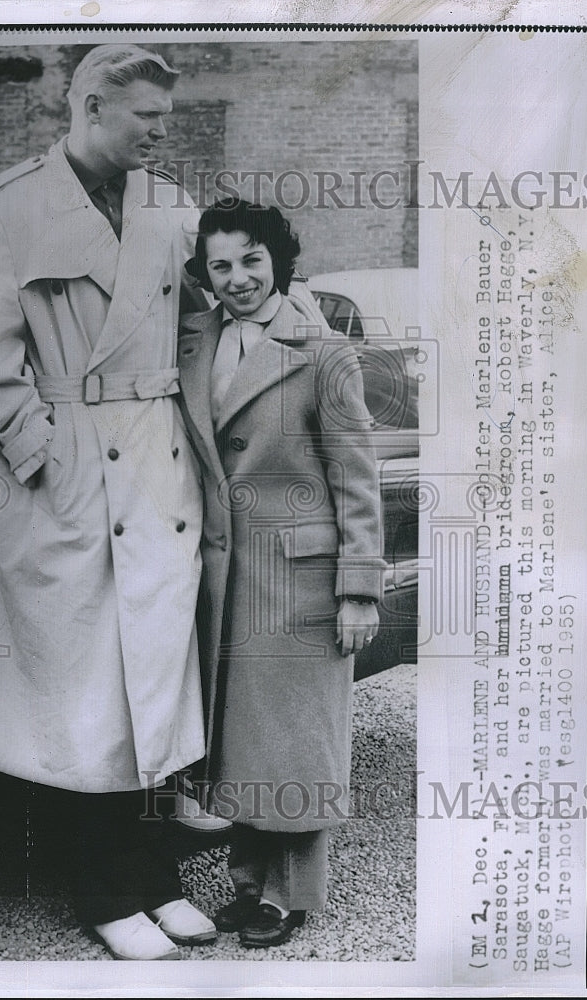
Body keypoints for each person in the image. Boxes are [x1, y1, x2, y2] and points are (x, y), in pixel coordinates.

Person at [0, 44, 218, 961]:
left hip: (156, 464)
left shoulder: (171, 206)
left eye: (164, 119)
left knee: (152, 688)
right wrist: (49, 456)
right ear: (93, 104)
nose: (160, 130)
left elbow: (196, 332)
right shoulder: (7, 205)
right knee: (80, 697)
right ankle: (102, 893)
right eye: (146, 115)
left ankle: (155, 879)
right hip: (61, 477)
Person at [177, 198, 386, 948]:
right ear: (203, 273)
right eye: (220, 265)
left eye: (251, 260)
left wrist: (359, 588)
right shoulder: (194, 341)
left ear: (278, 261)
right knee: (242, 740)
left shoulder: (323, 352)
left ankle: (289, 895)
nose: (236, 278)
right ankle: (245, 885)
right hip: (224, 582)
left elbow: (355, 476)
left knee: (297, 741)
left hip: (298, 582)